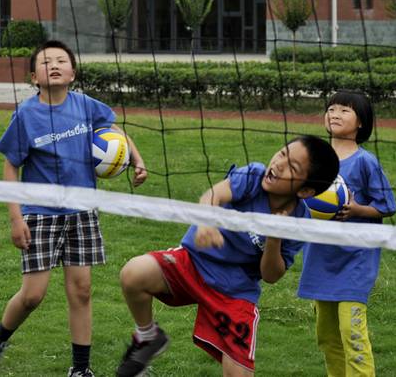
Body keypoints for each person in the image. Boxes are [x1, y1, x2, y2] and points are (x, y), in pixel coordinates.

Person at [0, 39, 148, 377]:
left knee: (81, 290)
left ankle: (80, 370)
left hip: (83, 210)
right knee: (32, 296)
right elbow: (11, 166)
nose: (53, 65)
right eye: (44, 62)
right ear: (33, 77)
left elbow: (113, 131)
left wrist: (137, 160)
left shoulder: (85, 105)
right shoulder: (26, 115)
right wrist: (15, 217)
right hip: (40, 212)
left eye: (60, 61)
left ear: (72, 72)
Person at [115, 135, 340, 377]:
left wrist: (274, 237)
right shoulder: (253, 176)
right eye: (282, 153)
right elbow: (212, 196)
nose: (278, 163)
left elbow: (271, 276)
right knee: (134, 273)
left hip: (235, 291)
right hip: (194, 263)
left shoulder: (299, 221)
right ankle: (148, 338)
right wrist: (206, 223)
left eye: (292, 167)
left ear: (305, 190)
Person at [296, 90, 396, 377]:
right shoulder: (314, 158)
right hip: (320, 257)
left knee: (351, 331)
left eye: (344, 110)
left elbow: (387, 206)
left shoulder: (366, 162)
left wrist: (355, 210)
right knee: (327, 336)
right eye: (331, 109)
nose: (335, 114)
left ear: (361, 123)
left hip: (356, 258)